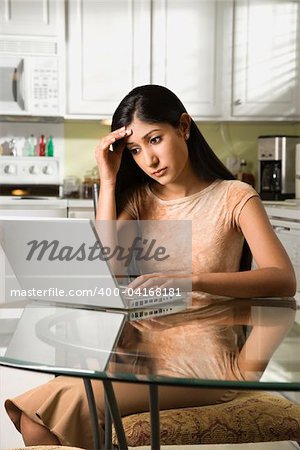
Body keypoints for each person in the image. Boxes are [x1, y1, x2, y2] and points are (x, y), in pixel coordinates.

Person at [5, 85, 296, 448]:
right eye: (135, 151)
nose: (149, 160)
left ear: (184, 127)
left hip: (208, 363)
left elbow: (283, 279)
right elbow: (106, 268)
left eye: (155, 139)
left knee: (51, 409)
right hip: (142, 352)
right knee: (39, 420)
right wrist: (109, 181)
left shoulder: (233, 196)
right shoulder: (140, 198)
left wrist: (190, 281)